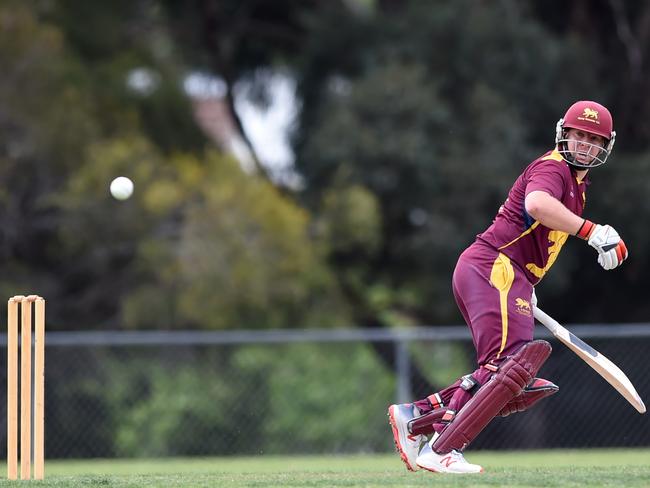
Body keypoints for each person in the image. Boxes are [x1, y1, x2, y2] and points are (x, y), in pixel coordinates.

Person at [388, 100, 628, 474]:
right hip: (494, 267)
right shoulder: (554, 168)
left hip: (505, 273)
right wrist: (591, 231)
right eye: (577, 135)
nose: (583, 144)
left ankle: (415, 418)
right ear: (563, 133)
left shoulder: (578, 187)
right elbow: (536, 204)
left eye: (592, 139)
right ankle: (441, 447)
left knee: (513, 378)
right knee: (510, 367)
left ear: (604, 147)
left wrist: (528, 284)